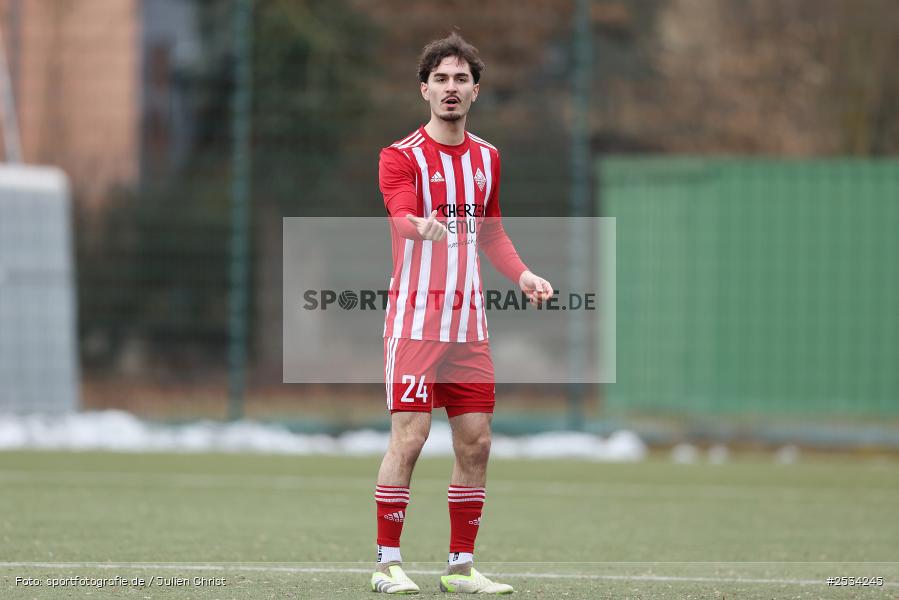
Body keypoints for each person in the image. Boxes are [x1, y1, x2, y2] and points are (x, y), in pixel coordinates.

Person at [372, 32, 553, 595]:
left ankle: (459, 568)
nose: (451, 88)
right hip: (416, 323)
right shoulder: (400, 156)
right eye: (441, 78)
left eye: (462, 79)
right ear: (424, 88)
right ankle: (387, 565)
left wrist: (522, 274)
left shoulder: (488, 159)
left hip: (469, 326)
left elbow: (491, 231)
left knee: (476, 442)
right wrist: (417, 225)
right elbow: (399, 212)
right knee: (411, 437)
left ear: (475, 92)